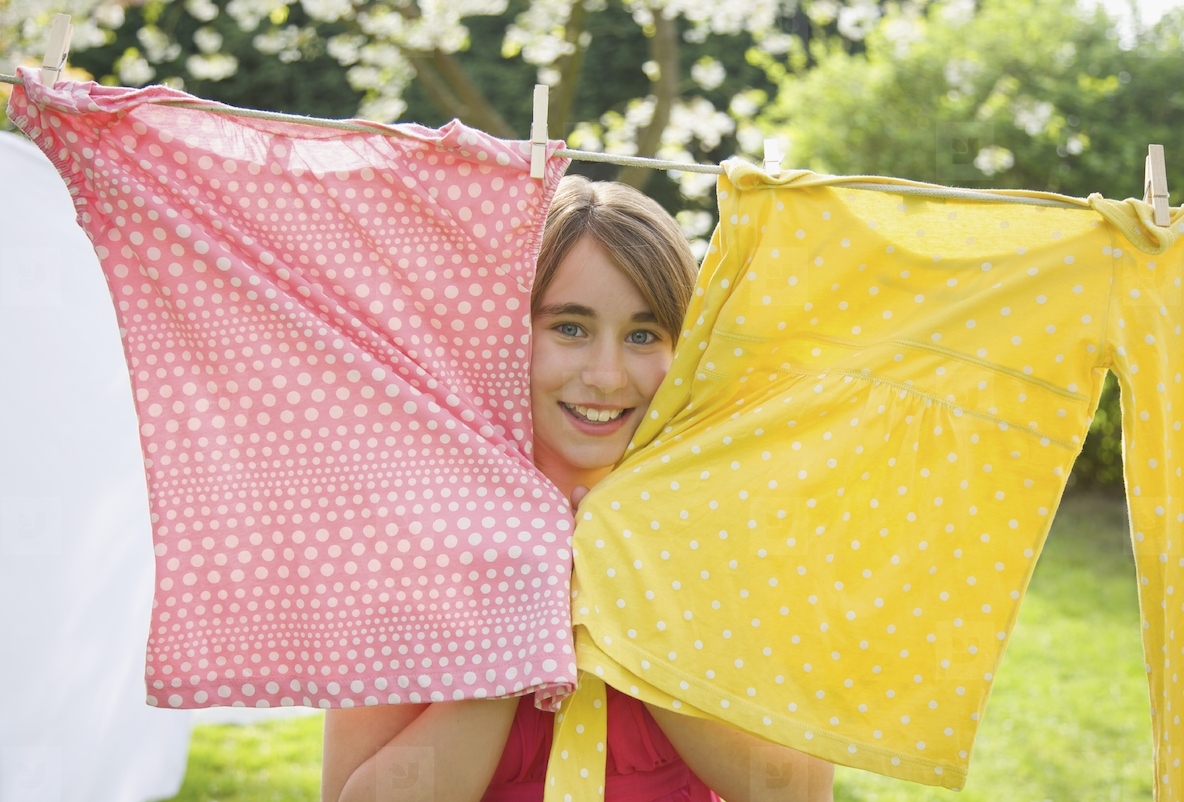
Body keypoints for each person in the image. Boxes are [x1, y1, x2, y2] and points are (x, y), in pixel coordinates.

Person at [322, 176, 836, 802]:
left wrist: (631, 616)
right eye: (569, 327)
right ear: (506, 335)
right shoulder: (418, 532)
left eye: (644, 335)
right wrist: (520, 635)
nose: (605, 375)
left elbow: (798, 794)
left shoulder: (728, 523)